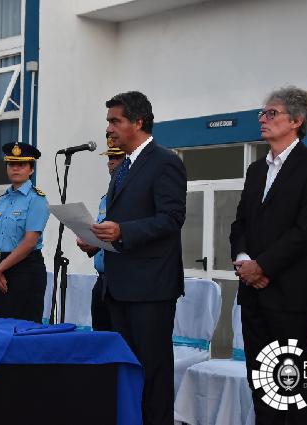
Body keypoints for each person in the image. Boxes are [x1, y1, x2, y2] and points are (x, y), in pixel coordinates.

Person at [229, 86, 307, 424]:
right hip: (253, 291)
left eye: (271, 113)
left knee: (291, 384)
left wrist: (263, 266)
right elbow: (240, 223)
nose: (262, 118)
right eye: (262, 113)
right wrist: (245, 260)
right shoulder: (257, 170)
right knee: (261, 380)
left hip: (291, 294)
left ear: (297, 120)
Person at [91, 91, 187, 425]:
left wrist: (122, 232)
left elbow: (172, 219)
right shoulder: (124, 168)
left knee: (153, 373)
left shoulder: (165, 162)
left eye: (115, 121)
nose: (109, 128)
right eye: (108, 121)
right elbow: (123, 221)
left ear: (138, 122)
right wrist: (97, 240)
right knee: (128, 371)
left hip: (150, 289)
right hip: (119, 287)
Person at [0, 142, 49, 323]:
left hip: (25, 270)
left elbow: (30, 242)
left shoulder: (36, 198)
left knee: (24, 328)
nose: (15, 168)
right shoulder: (3, 199)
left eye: (21, 165)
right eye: (11, 164)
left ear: (31, 169)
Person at [76, 135, 125, 331]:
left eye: (117, 158)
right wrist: (88, 243)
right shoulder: (105, 199)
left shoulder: (133, 197)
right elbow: (101, 236)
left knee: (120, 337)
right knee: (100, 336)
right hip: (102, 279)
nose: (111, 163)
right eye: (109, 159)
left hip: (122, 280)